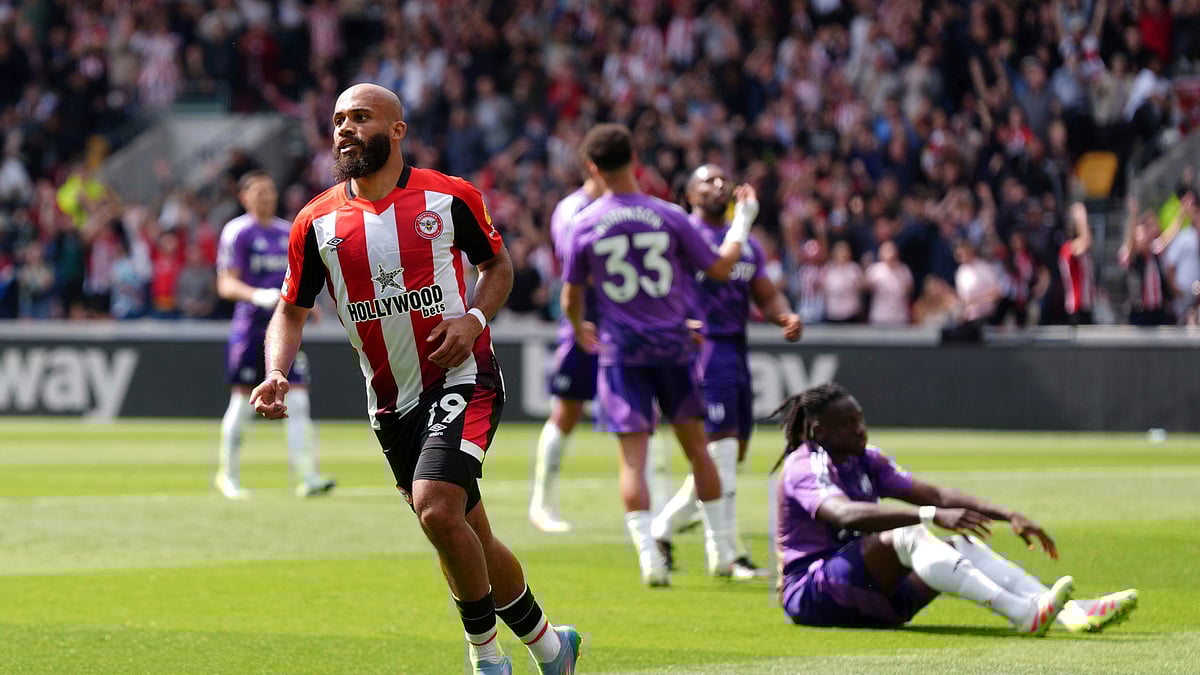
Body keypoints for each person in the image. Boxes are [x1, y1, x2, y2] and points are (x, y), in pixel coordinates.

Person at [250, 84, 579, 675]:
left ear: (397, 130)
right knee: (465, 530)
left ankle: (487, 660)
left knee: (436, 508)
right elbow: (291, 311)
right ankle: (553, 649)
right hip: (390, 404)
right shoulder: (315, 221)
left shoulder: (449, 196)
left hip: (463, 376)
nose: (345, 129)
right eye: (338, 120)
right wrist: (276, 369)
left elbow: (497, 266)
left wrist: (473, 319)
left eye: (360, 117)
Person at [773, 382, 1139, 634]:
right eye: (848, 424)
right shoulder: (805, 465)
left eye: (860, 419)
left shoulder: (866, 459)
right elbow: (844, 514)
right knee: (910, 535)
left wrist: (1007, 514)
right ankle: (1022, 613)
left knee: (962, 544)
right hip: (812, 595)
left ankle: (1069, 613)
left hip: (877, 598)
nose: (860, 429)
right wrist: (930, 516)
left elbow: (937, 495)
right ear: (819, 430)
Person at [561, 123, 750, 586]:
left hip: (622, 352)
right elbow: (719, 268)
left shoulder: (584, 223)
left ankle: (650, 559)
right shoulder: (668, 215)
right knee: (699, 452)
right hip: (674, 348)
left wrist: (579, 327)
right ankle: (722, 551)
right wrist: (744, 219)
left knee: (633, 461)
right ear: (635, 159)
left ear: (592, 168)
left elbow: (570, 297)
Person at [650, 163, 803, 580]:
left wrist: (785, 314)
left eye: (723, 179)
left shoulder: (746, 243)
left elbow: (765, 292)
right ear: (689, 195)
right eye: (707, 181)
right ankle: (726, 554)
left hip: (736, 348)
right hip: (702, 347)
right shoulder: (686, 234)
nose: (719, 185)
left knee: (729, 456)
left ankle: (663, 527)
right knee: (721, 453)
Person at [529, 169, 671, 533]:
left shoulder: (620, 207)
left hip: (624, 324)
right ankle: (542, 504)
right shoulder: (573, 208)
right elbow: (577, 266)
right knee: (567, 410)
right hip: (586, 322)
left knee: (645, 412)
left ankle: (659, 507)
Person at [214, 170, 335, 499]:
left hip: (284, 329)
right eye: (259, 191)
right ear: (244, 197)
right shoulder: (238, 231)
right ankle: (228, 476)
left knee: (299, 400)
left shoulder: (287, 231)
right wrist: (257, 295)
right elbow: (225, 283)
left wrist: (308, 305)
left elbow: (300, 278)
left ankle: (307, 476)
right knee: (242, 401)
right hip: (251, 328)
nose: (267, 196)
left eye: (270, 190)